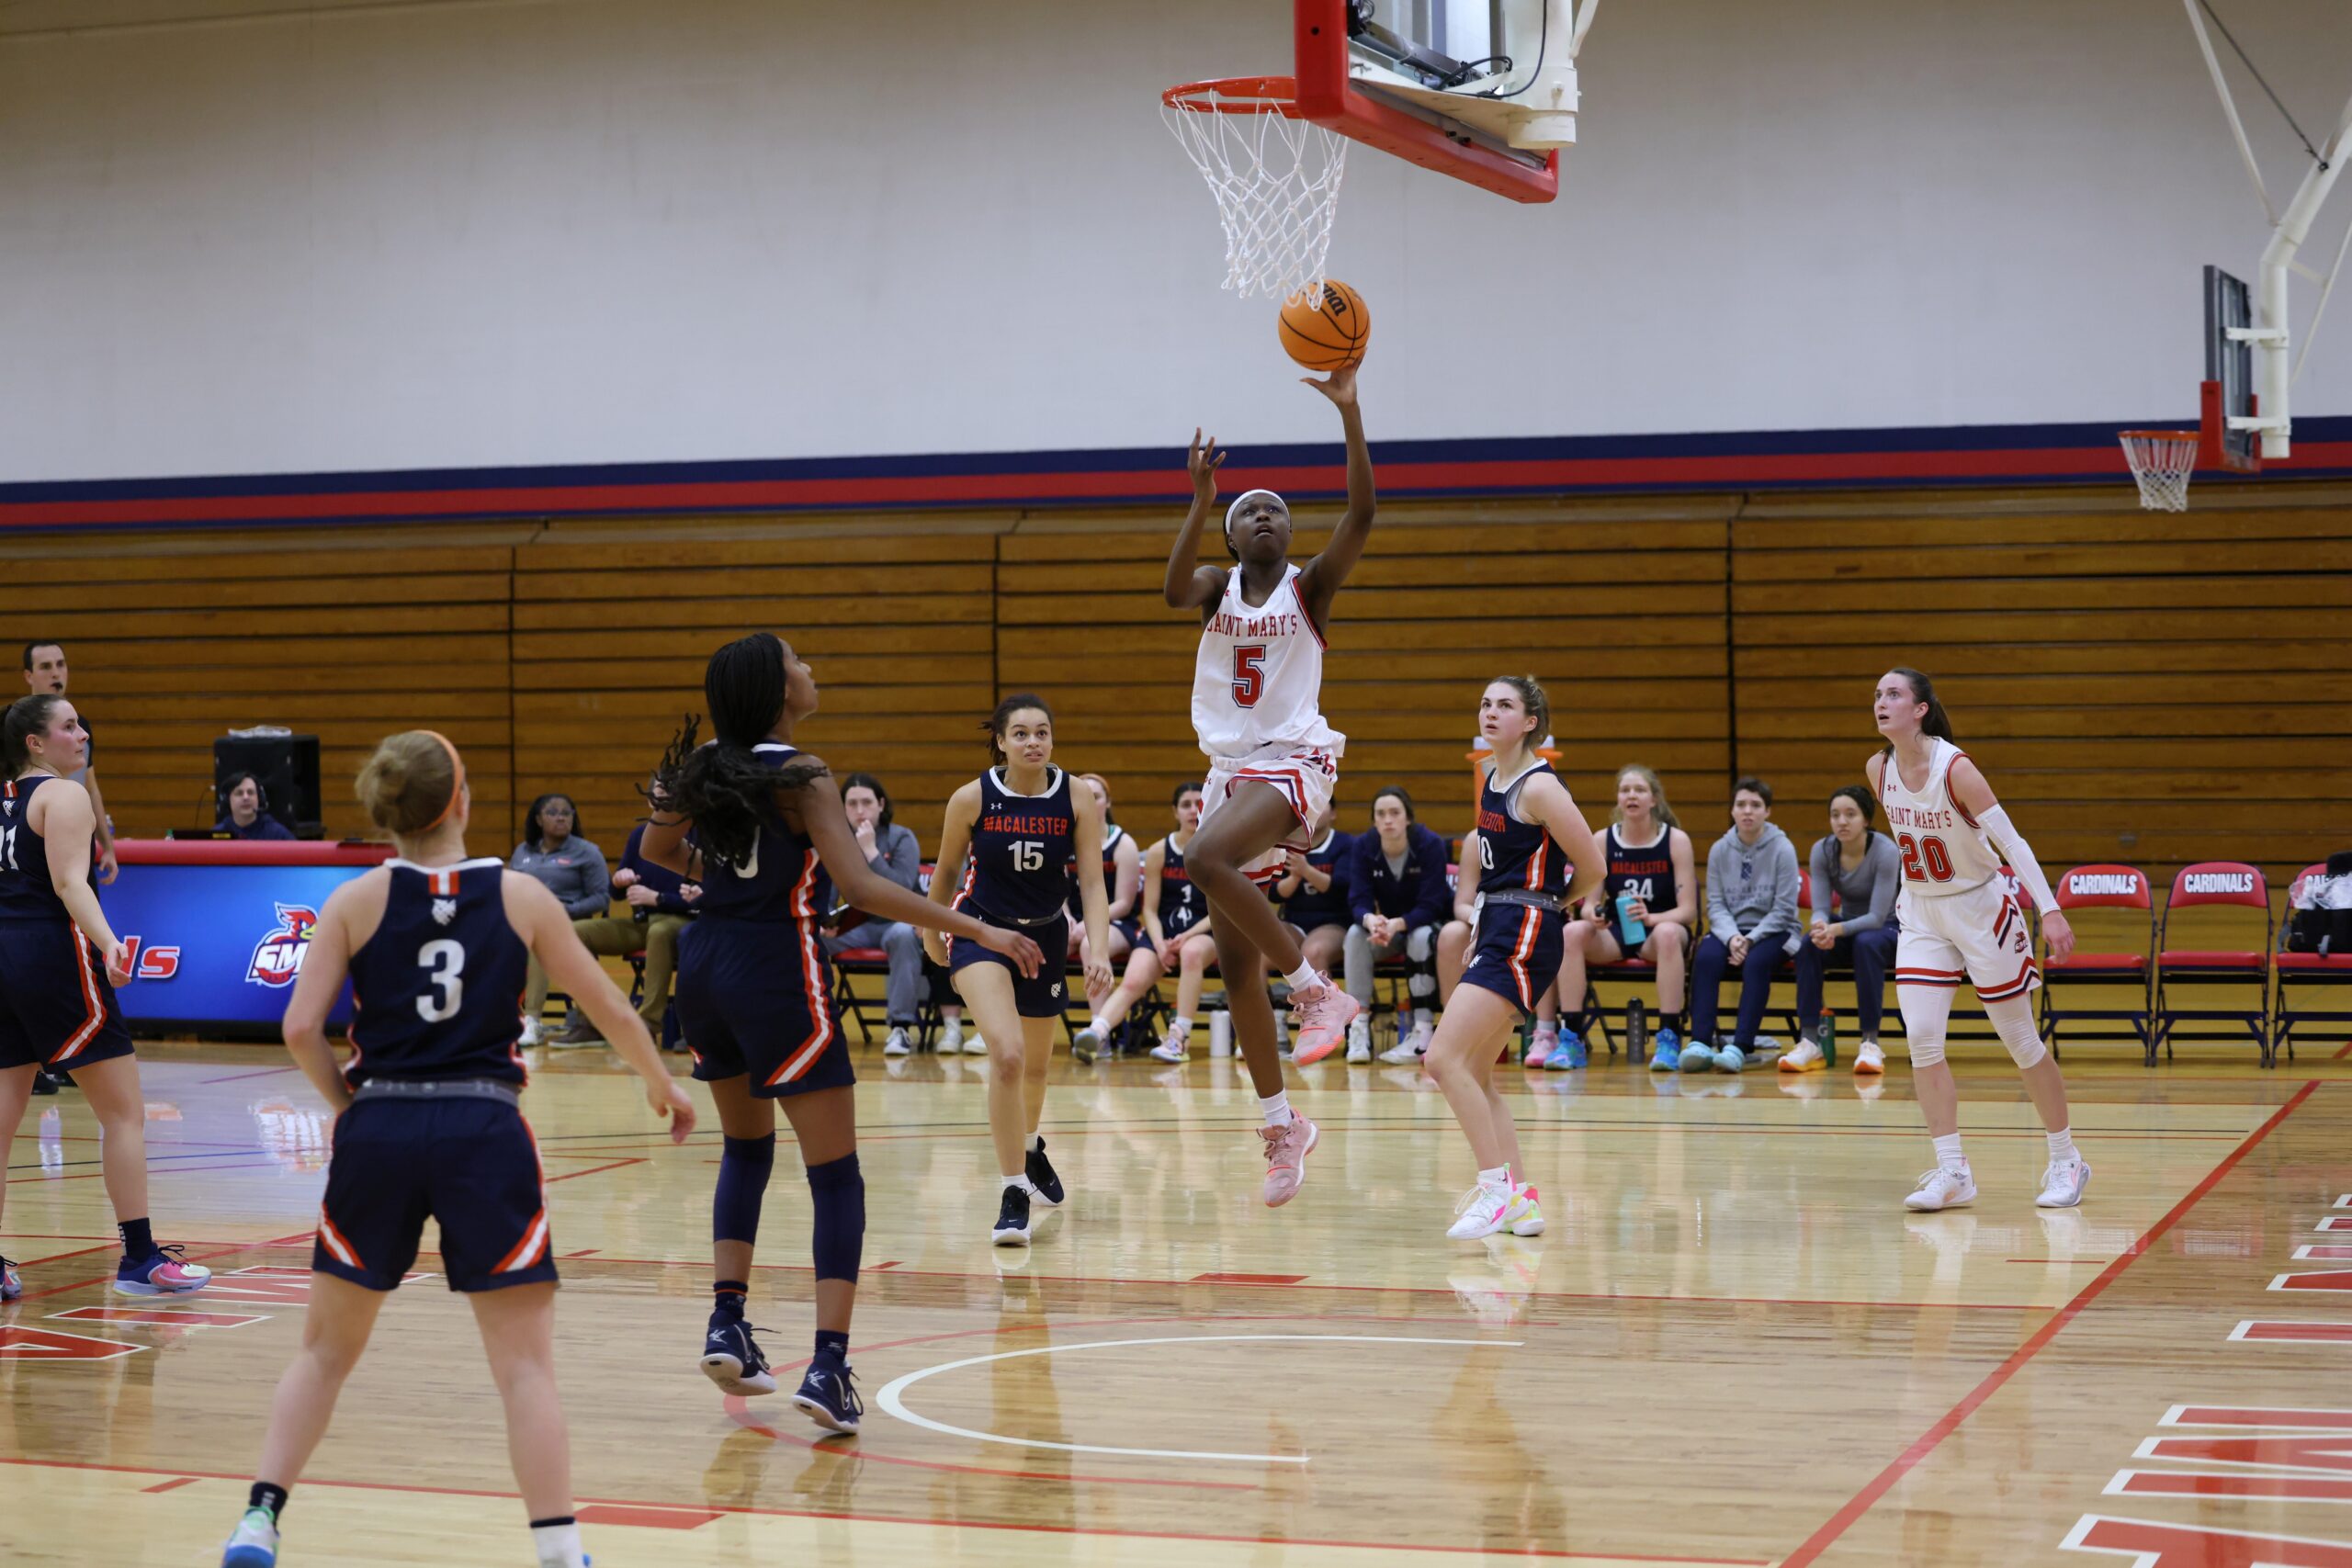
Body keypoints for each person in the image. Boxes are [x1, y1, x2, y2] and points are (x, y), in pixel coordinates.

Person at [216, 730, 696, 1568]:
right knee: (524, 1369)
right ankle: (559, 1549)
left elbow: (299, 1027)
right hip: (483, 1127)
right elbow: (615, 1010)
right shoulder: (521, 896)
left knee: (324, 1353)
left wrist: (349, 1103)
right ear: (461, 800)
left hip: (384, 1128)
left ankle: (259, 1518)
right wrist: (662, 1081)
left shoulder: (354, 899)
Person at [639, 632, 1043, 1433]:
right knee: (835, 1177)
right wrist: (980, 930)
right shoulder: (802, 771)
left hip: (708, 961)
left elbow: (652, 849)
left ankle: (727, 1321)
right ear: (776, 686)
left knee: (746, 1150)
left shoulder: (705, 763)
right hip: (773, 967)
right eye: (799, 660)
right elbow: (861, 885)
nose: (811, 668)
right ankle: (826, 1366)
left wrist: (723, 877)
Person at [1162, 360, 1376, 1207]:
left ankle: (1318, 989)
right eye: (1250, 508)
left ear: (1290, 535)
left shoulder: (1310, 588)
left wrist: (1349, 411)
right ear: (1231, 531)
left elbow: (1363, 512)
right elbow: (1172, 587)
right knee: (1236, 968)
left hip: (1294, 756)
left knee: (1201, 854)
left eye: (1277, 510)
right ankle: (1284, 1122)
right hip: (1230, 770)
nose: (1265, 516)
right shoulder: (1216, 589)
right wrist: (1199, 500)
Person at [0, 694, 212, 1308]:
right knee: (123, 1113)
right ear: (35, 743)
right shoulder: (63, 795)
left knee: (5, 1117)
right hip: (50, 955)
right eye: (67, 726)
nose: (81, 733)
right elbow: (69, 882)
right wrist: (111, 943)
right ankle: (140, 1257)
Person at [1867, 667, 2086, 1212]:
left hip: (1980, 906)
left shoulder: (1956, 769)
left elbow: (2013, 843)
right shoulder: (1877, 768)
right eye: (1877, 695)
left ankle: (2066, 1159)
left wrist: (2052, 909)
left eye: (1893, 694)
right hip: (1920, 911)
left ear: (1920, 709)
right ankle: (1952, 1171)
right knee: (1921, 1038)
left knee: (2020, 1041)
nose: (1881, 702)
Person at [923, 695, 1112, 1246]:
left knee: (1034, 1068)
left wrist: (1096, 950)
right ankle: (1012, 1191)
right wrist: (931, 930)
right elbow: (948, 870)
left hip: (1047, 934)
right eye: (1022, 734)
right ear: (1001, 742)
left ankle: (1030, 1149)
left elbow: (1094, 884)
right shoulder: (971, 798)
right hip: (982, 929)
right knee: (1006, 1056)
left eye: (1043, 733)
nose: (1034, 742)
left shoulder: (1076, 796)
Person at [1421, 679, 1603, 1241]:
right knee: (1475, 1070)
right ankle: (1521, 1200)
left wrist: (1548, 908)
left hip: (1526, 930)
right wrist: (1483, 923)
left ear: (1530, 722)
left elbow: (1593, 867)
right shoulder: (1492, 779)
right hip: (1500, 927)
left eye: (1505, 705)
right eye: (1485, 703)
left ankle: (1495, 1190)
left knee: (1441, 1059)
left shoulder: (1541, 786)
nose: (1491, 711)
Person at [1553, 764, 1696, 1071]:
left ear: (1654, 799)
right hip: (1616, 933)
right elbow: (1588, 903)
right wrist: (1595, 916)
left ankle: (1669, 1036)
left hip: (1658, 934)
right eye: (1625, 790)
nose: (1632, 795)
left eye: (1640, 790)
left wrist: (1651, 918)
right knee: (1571, 932)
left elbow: (1688, 912)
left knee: (1671, 933)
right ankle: (1570, 1038)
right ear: (1618, 799)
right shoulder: (1603, 840)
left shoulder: (1676, 841)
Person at [1075, 783, 1213, 1062]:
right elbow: (1149, 909)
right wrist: (1160, 942)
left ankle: (1178, 1037)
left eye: (1199, 803)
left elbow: (1221, 909)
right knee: (1133, 980)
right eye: (1185, 804)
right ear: (1175, 811)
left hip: (1206, 931)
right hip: (1161, 932)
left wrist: (1186, 937)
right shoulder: (1159, 851)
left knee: (1192, 952)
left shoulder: (1217, 849)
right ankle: (1097, 1032)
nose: (1193, 810)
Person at [1780, 784, 1901, 1075]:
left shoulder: (1886, 851)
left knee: (1867, 943)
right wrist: (1821, 926)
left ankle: (1870, 1043)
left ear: (1866, 820)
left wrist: (1834, 930)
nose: (1842, 822)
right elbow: (1820, 906)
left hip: (1890, 930)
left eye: (1850, 814)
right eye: (1835, 815)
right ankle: (1809, 1041)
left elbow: (1875, 917)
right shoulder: (1823, 850)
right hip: (1848, 929)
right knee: (1808, 944)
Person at [1685, 778, 1801, 1074]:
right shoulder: (1720, 850)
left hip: (1777, 931)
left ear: (1767, 811)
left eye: (1755, 805)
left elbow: (1785, 909)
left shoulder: (1783, 848)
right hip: (1733, 931)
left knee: (1756, 963)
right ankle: (1700, 1042)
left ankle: (1740, 1046)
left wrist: (1750, 940)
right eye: (1741, 805)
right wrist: (1734, 937)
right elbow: (1716, 904)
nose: (1748, 811)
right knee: (1707, 957)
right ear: (1733, 810)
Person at [561, 809, 702, 1049]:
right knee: (576, 932)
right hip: (642, 923)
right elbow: (615, 894)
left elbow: (709, 894)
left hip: (684, 923)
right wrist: (618, 881)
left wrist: (659, 898)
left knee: (659, 932)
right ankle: (591, 1021)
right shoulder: (641, 835)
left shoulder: (700, 835)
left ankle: (647, 1025)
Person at [819, 773, 929, 1057]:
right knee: (810, 941)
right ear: (842, 808)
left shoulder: (901, 837)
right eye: (851, 803)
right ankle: (816, 1024)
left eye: (866, 802)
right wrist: (826, 922)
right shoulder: (836, 841)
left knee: (904, 936)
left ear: (880, 804)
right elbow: (828, 892)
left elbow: (903, 888)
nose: (859, 810)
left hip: (898, 923)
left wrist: (870, 850)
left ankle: (900, 1028)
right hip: (856, 927)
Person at [1342, 787, 1453, 1065]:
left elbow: (1432, 904)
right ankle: (1359, 1029)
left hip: (1429, 925)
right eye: (1381, 814)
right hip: (1390, 927)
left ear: (1408, 818)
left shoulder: (1429, 844)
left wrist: (1398, 924)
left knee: (1420, 936)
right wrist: (1371, 920)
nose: (1388, 819)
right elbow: (1358, 899)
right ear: (1374, 820)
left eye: (1394, 813)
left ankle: (1422, 1032)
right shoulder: (1364, 846)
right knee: (1356, 934)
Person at [511, 795, 612, 1048]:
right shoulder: (523, 851)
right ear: (538, 819)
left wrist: (565, 910)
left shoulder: (587, 852)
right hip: (524, 922)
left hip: (567, 924)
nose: (561, 817)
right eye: (553, 812)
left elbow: (601, 898)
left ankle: (532, 1021)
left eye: (567, 813)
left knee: (539, 940)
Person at [21, 641, 117, 885]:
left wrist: (107, 846)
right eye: (46, 666)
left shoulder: (81, 727)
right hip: (32, 850)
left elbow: (91, 787)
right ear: (29, 676)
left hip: (78, 846)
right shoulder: (14, 726)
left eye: (60, 664)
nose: (56, 673)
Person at [1066, 773, 1141, 1064]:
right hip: (1075, 921)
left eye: (1095, 796)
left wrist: (1088, 925)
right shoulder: (1064, 841)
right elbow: (1057, 892)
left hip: (1117, 923)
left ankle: (1100, 1033)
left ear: (1107, 802)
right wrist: (1069, 917)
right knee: (1042, 943)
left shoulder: (1124, 844)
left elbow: (1125, 902)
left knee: (1090, 945)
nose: (1088, 801)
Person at [1274, 806, 1354, 1055]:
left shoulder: (1345, 844)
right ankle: (1271, 1023)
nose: (1316, 811)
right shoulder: (1287, 844)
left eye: (1323, 806)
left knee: (1314, 950)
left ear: (1333, 813)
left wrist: (1306, 870)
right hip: (1296, 920)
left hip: (1333, 921)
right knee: (1260, 950)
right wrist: (1296, 878)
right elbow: (1276, 892)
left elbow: (1340, 888)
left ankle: (1321, 1028)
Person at [214, 772, 298, 841]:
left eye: (250, 792)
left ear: (259, 799)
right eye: (239, 793)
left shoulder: (278, 834)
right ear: (227, 800)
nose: (246, 797)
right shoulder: (217, 834)